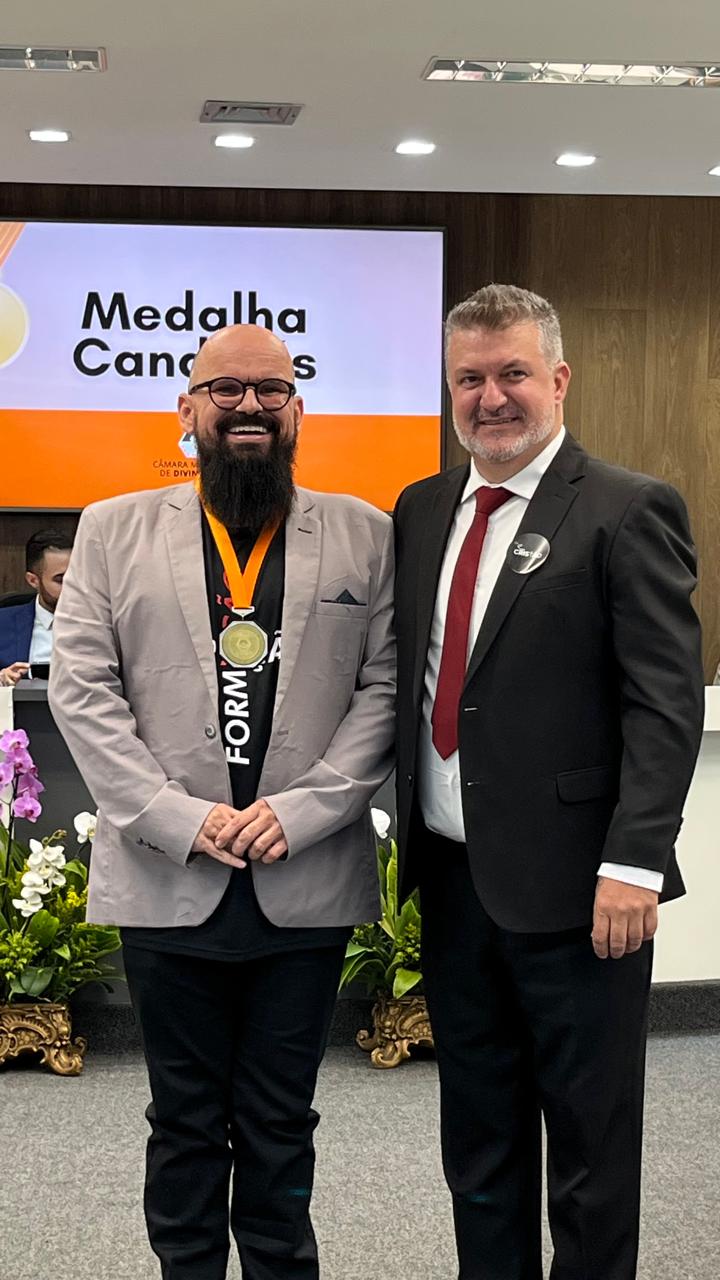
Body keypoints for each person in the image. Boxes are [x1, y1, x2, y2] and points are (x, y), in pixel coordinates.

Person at [48, 323, 395, 1280]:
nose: (249, 406)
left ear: (297, 410)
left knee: (283, 1119)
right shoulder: (111, 528)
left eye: (270, 390)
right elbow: (82, 691)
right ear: (188, 407)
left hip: (304, 877)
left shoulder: (366, 533)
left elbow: (385, 689)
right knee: (185, 1119)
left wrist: (307, 808)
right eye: (226, 389)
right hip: (168, 878)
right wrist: (177, 817)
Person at [393, 284, 704, 1280]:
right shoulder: (422, 509)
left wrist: (635, 863)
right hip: (455, 883)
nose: (491, 397)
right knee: (479, 1147)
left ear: (559, 380)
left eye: (513, 373)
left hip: (583, 894)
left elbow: (664, 705)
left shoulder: (627, 507)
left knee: (589, 1151)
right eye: (469, 378)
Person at [0, 529, 73, 686]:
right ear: (33, 580)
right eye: (60, 580)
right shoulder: (2, 623)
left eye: (76, 578)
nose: (72, 588)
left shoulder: (103, 623)